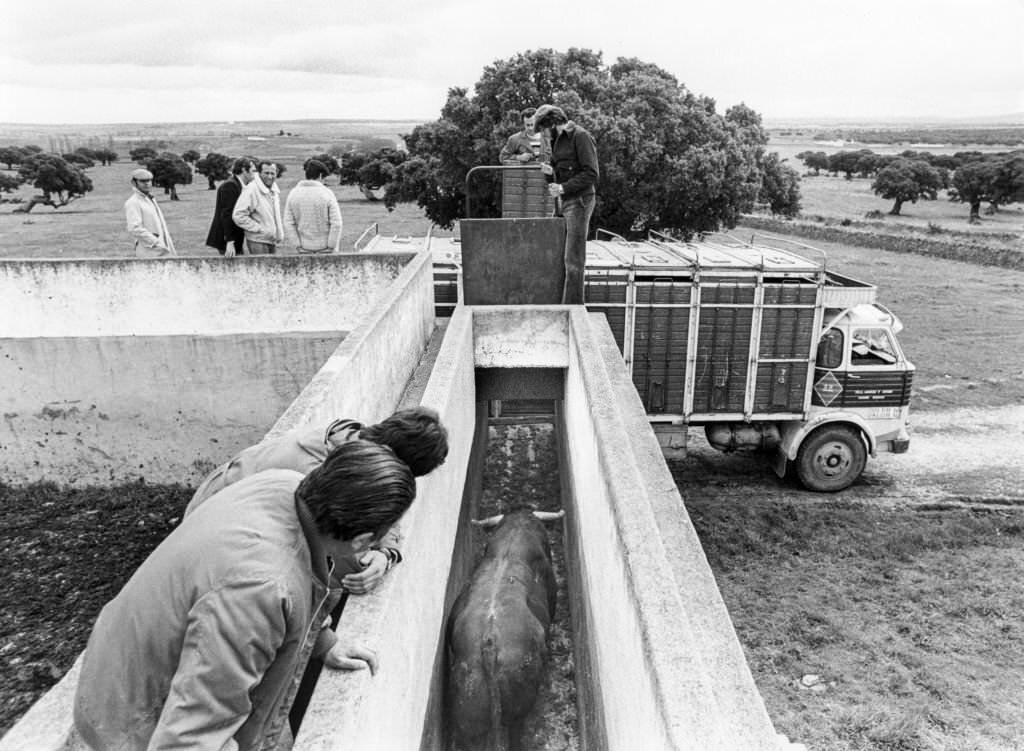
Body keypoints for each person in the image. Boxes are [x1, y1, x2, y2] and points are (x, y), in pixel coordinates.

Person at [73, 440, 416, 751]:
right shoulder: (260, 588)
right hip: (135, 727)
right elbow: (189, 739)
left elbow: (297, 581)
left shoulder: (283, 484)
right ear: (360, 542)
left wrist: (324, 641)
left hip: (118, 684)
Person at [188, 407, 449, 593]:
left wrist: (385, 552)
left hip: (213, 507)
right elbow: (348, 565)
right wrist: (381, 558)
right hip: (209, 542)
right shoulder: (325, 476)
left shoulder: (348, 437)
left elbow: (381, 510)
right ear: (389, 455)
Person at [534, 104, 599, 304]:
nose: (544, 134)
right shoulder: (556, 140)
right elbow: (557, 176)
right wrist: (548, 174)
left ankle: (573, 307)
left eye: (544, 129)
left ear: (553, 123)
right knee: (559, 254)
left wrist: (563, 188)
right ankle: (561, 302)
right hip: (564, 202)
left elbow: (591, 174)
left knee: (574, 259)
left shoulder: (580, 136)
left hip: (580, 201)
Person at [284, 159, 343, 254]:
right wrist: (331, 246)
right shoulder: (327, 193)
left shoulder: (293, 194)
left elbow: (288, 223)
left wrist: (297, 246)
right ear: (320, 175)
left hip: (303, 248)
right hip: (326, 248)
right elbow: (337, 223)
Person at [206, 156, 258, 257]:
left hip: (234, 238)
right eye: (253, 170)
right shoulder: (230, 186)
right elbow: (226, 215)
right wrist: (230, 242)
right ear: (244, 170)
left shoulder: (239, 185)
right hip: (226, 239)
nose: (255, 174)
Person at [232, 160, 284, 254]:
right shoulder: (252, 189)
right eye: (266, 173)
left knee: (272, 268)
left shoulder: (274, 191)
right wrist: (258, 229)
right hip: (257, 240)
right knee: (263, 268)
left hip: (271, 240)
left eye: (272, 173)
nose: (269, 176)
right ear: (259, 173)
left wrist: (279, 234)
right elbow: (238, 215)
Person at [124, 168, 176, 257]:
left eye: (149, 181)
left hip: (163, 250)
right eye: (142, 181)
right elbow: (134, 228)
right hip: (149, 251)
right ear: (134, 182)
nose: (147, 183)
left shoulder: (151, 199)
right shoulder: (133, 202)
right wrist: (155, 243)